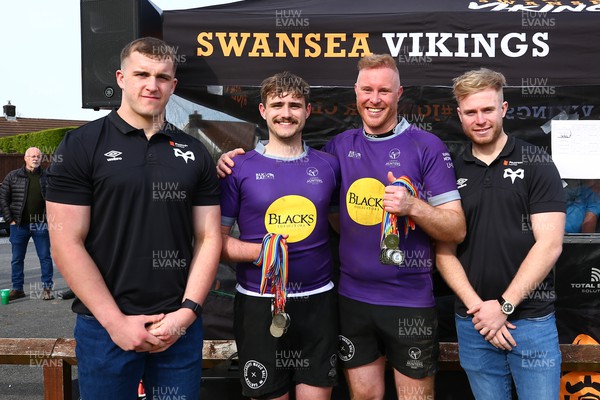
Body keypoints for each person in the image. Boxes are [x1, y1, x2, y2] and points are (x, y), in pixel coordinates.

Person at [218, 54, 466, 400]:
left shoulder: (427, 146)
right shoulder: (337, 149)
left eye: (384, 90)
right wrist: (228, 160)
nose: (374, 98)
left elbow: (456, 230)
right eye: (367, 89)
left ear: (399, 93)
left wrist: (412, 206)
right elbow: (333, 218)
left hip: (408, 300)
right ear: (355, 92)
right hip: (349, 300)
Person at [45, 37, 221, 399]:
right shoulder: (81, 145)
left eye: (162, 77)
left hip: (177, 329)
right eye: (142, 74)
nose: (151, 85)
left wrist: (185, 314)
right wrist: (115, 323)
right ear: (122, 78)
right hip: (105, 329)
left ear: (174, 85)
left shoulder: (194, 151)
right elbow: (65, 241)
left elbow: (208, 237)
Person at [435, 68, 566, 399]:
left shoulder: (536, 162)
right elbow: (443, 249)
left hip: (530, 321)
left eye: (487, 110)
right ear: (460, 115)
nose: (480, 119)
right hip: (473, 322)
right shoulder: (450, 168)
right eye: (471, 112)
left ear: (503, 109)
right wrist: (480, 309)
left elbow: (549, 244)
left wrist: (503, 307)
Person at [220, 71, 340, 400]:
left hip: (319, 302)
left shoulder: (329, 165)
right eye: (277, 104)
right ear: (262, 111)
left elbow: (343, 227)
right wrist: (266, 252)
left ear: (308, 111)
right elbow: (214, 244)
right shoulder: (237, 168)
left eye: (294, 105)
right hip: (260, 305)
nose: (285, 112)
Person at [0, 146, 54, 301]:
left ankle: (47, 289)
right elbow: (3, 198)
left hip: (40, 224)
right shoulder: (13, 176)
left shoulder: (47, 176)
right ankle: (18, 289)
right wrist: (10, 219)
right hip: (19, 225)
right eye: (32, 156)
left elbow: (55, 198)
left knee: (45, 257)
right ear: (25, 158)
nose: (35, 158)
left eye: (38, 156)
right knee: (17, 258)